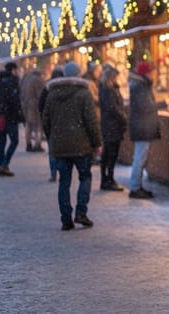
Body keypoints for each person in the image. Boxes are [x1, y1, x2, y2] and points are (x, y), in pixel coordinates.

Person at [41, 61, 102, 231]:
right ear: (79, 74)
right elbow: (91, 121)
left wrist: (52, 137)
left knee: (64, 182)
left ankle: (65, 219)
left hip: (60, 146)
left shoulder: (52, 94)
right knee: (85, 177)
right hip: (81, 145)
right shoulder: (83, 93)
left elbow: (45, 119)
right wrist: (97, 142)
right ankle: (81, 212)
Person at [128, 60, 164, 199]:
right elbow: (146, 106)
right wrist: (164, 103)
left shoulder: (141, 86)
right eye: (152, 72)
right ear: (146, 74)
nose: (154, 75)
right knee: (140, 157)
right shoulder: (140, 87)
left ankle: (137, 186)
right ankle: (135, 187)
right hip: (142, 127)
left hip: (142, 126)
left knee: (140, 157)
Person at [0, 62, 24, 177]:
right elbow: (15, 101)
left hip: (0, 116)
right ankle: (4, 164)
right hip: (11, 117)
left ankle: (2, 164)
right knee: (14, 141)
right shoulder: (12, 83)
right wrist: (20, 115)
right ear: (13, 70)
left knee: (2, 142)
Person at [98, 64, 127, 191]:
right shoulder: (108, 90)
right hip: (112, 125)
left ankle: (107, 178)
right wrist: (123, 117)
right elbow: (112, 108)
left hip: (110, 124)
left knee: (109, 153)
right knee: (111, 153)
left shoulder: (108, 89)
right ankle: (108, 179)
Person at [39, 66, 64, 181]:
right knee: (63, 149)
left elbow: (41, 106)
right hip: (64, 124)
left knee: (52, 149)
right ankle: (62, 169)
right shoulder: (65, 88)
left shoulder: (47, 89)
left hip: (51, 125)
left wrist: (45, 120)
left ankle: (53, 172)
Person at [20, 60, 49, 152]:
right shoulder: (39, 80)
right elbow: (41, 94)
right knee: (38, 126)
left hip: (27, 104)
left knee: (28, 125)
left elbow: (22, 92)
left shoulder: (26, 79)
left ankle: (28, 143)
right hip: (36, 105)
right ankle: (37, 144)